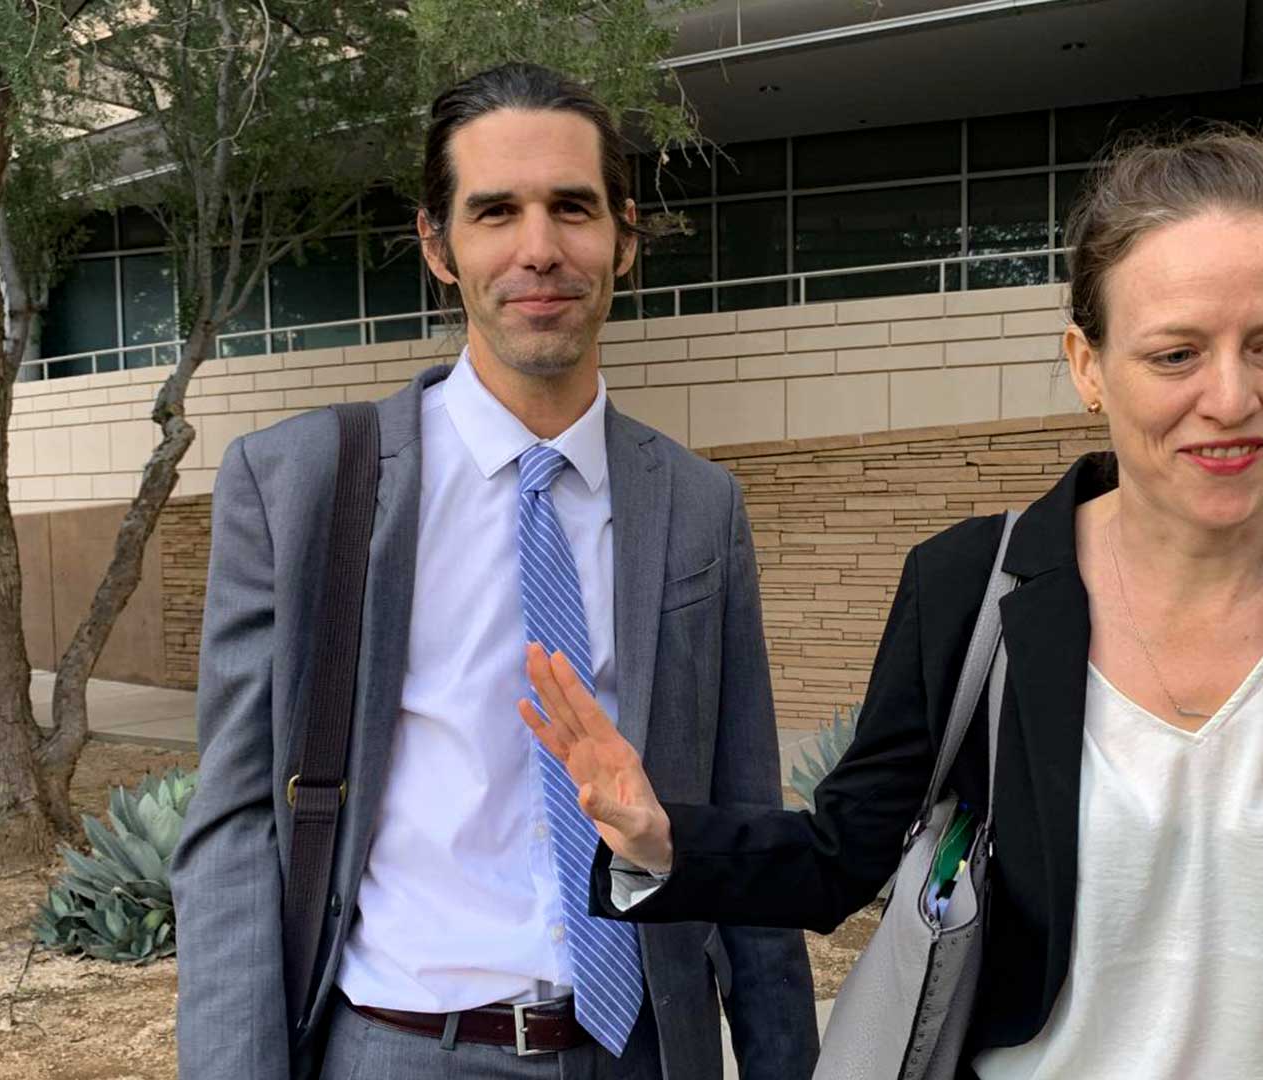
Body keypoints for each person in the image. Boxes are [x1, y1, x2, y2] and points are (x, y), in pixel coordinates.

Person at [520, 132, 1263, 1080]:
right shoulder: (975, 586)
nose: (1232, 398)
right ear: (1088, 364)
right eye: (1176, 352)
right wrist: (664, 839)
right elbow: (845, 852)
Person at [173, 62, 817, 1080]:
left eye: (572, 207)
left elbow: (745, 825)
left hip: (640, 1051)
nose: (539, 250)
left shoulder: (699, 508)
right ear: (438, 243)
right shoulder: (301, 487)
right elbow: (235, 835)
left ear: (626, 237)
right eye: (495, 212)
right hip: (400, 1050)